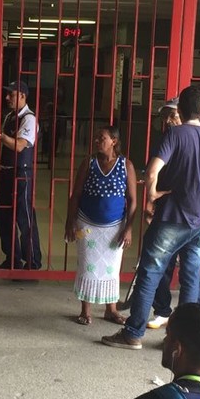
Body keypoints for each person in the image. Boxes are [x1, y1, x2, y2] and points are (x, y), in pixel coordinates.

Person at [102, 86, 200, 350]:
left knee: (150, 273)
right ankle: (185, 341)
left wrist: (154, 192)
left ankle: (133, 334)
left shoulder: (174, 136)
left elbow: (154, 170)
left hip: (171, 219)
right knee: (191, 279)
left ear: (179, 110)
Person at [65, 125, 138, 325]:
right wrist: (70, 221)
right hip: (87, 225)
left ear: (114, 141)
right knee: (87, 267)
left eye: (102, 138)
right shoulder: (88, 163)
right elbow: (76, 194)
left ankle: (111, 310)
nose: (97, 141)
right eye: (96, 138)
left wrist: (129, 228)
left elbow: (132, 200)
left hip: (115, 228)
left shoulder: (126, 165)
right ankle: (85, 311)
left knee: (111, 269)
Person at [147, 98, 200, 331]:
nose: (169, 121)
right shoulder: (166, 139)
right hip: (168, 211)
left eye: (173, 115)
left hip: (190, 216)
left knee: (191, 271)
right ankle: (163, 311)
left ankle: (191, 319)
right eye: (165, 117)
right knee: (164, 265)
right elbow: (154, 173)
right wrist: (151, 201)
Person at [0, 80, 42, 271]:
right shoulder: (10, 116)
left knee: (24, 217)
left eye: (11, 94)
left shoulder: (29, 119)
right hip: (6, 171)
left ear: (23, 96)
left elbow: (20, 145)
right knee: (4, 216)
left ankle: (32, 261)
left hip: (21, 174)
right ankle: (12, 258)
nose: (7, 98)